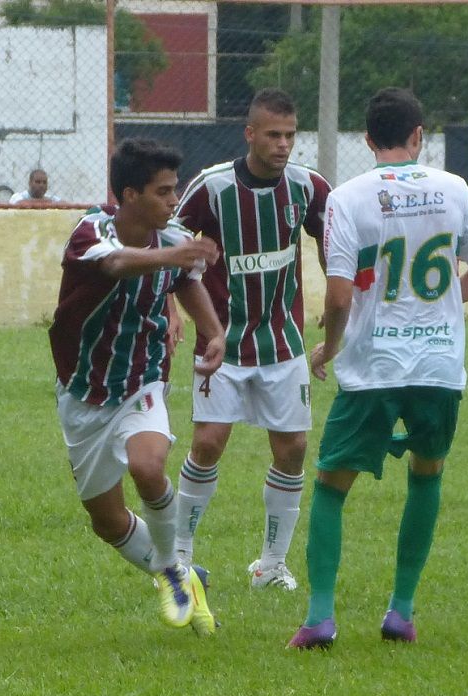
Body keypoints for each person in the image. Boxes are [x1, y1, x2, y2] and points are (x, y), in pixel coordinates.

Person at [288, 87, 468, 649]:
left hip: (373, 366)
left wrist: (328, 348)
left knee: (332, 485)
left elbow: (339, 297)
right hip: (438, 365)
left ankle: (320, 618)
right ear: (418, 136)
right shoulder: (454, 187)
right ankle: (401, 612)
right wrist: (443, 303)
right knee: (427, 474)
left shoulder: (347, 198)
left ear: (367, 140)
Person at [49, 138, 226, 636]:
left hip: (142, 378)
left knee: (148, 466)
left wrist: (213, 331)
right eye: (163, 191)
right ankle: (186, 578)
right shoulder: (91, 231)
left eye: (175, 189)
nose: (174, 200)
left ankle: (170, 568)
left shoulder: (171, 238)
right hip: (83, 389)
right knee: (106, 522)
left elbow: (186, 281)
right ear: (129, 194)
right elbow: (116, 265)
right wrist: (175, 253)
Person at [172, 88, 331, 591]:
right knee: (208, 442)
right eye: (273, 135)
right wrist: (172, 310)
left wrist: (338, 292)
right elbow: (168, 243)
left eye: (290, 135)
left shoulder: (308, 186)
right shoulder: (211, 187)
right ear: (250, 134)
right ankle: (179, 557)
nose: (283, 145)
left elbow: (333, 240)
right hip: (222, 342)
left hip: (283, 343)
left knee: (293, 448)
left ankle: (270, 565)